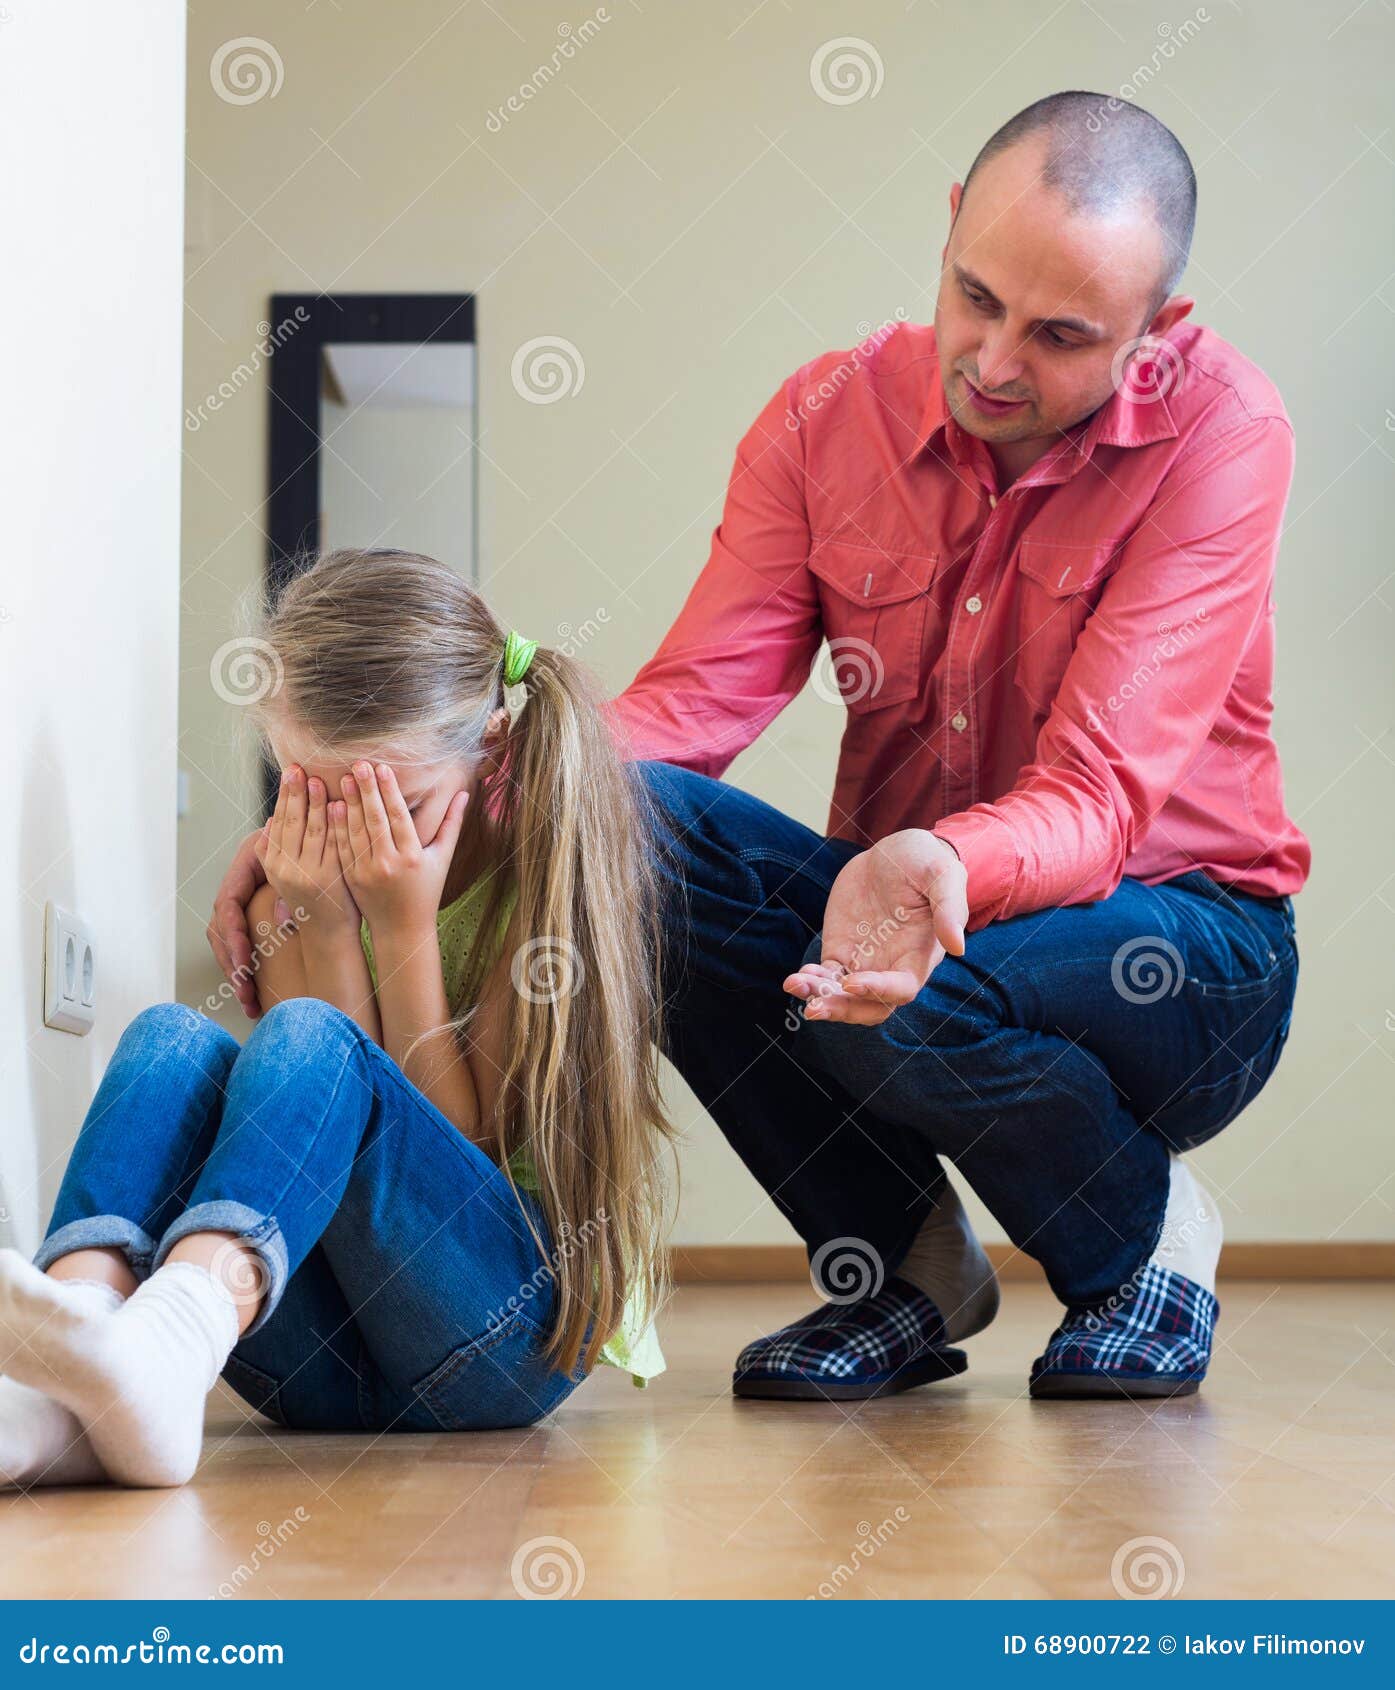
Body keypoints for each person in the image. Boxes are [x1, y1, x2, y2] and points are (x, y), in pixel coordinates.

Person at [210, 90, 1307, 1405]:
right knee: (635, 822)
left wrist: (930, 857)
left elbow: (1094, 793)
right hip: (904, 916)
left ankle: (1142, 1241)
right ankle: (899, 1267)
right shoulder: (821, 421)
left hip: (1183, 953)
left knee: (898, 986)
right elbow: (680, 717)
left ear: (1153, 333)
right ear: (951, 227)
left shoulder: (1223, 436)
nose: (996, 361)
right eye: (974, 297)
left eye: (1060, 336)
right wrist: (345, 816)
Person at [0, 549, 672, 1490]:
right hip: (316, 1360)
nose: (355, 839)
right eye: (311, 795)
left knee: (309, 1039)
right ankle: (67, 1384)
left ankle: (167, 1338)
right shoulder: (298, 887)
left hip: (496, 1343)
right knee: (171, 1038)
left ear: (493, 749)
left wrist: (398, 926)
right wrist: (320, 922)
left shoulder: (543, 891)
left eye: (398, 805)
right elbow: (325, 1150)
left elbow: (452, 1140)